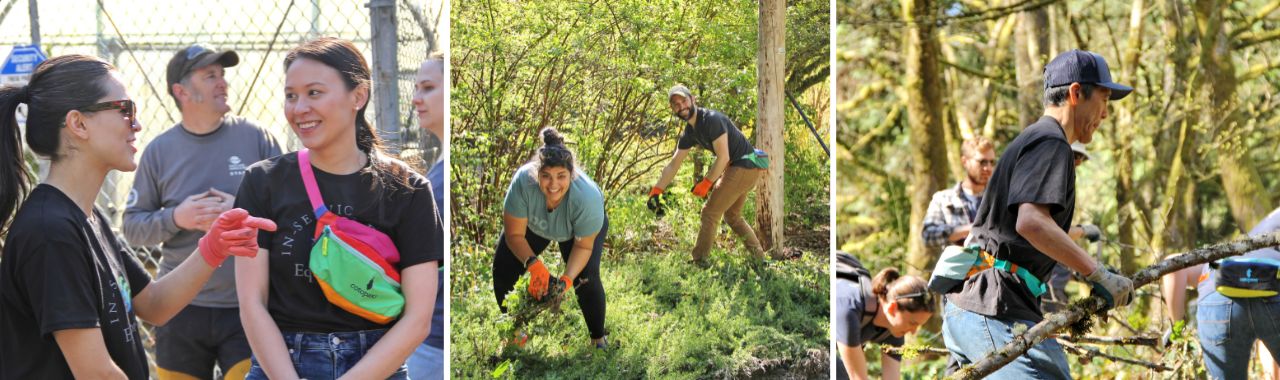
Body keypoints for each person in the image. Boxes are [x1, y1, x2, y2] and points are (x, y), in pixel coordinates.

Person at [0, 55, 273, 379]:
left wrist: (213, 247)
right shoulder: (50, 233)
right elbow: (96, 373)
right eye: (124, 109)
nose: (137, 124)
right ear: (78, 124)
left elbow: (154, 304)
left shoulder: (88, 216)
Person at [234, 37, 442, 379]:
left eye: (314, 93)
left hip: (377, 366)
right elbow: (252, 303)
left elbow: (418, 319)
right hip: (280, 365)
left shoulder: (408, 190)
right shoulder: (262, 182)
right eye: (291, 95)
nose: (299, 108)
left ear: (358, 96)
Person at [940, 49, 1135, 379]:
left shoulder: (1035, 139)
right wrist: (1097, 274)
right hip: (994, 307)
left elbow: (1016, 235)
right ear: (1076, 93)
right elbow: (1031, 223)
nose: (1105, 114)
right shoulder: (1051, 142)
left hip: (973, 305)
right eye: (1103, 99)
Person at [123, 43, 283, 380]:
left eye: (222, 74)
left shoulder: (257, 139)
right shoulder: (159, 151)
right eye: (210, 76)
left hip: (247, 305)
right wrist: (176, 218)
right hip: (180, 308)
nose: (222, 82)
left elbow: (289, 216)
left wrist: (240, 210)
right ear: (180, 91)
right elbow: (132, 228)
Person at [493, 127, 609, 348]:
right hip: (536, 225)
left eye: (561, 176)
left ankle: (598, 340)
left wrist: (566, 279)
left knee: (586, 279)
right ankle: (516, 336)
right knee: (504, 267)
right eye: (546, 176)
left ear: (571, 174)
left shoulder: (587, 198)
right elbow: (514, 234)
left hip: (576, 231)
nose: (553, 185)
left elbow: (584, 247)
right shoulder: (523, 183)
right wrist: (533, 265)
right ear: (537, 173)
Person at [647, 85, 770, 266]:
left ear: (693, 99)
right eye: (676, 104)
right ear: (672, 109)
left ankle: (700, 262)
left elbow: (724, 157)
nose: (681, 107)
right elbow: (674, 164)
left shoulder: (712, 120)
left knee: (710, 213)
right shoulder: (690, 132)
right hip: (744, 167)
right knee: (732, 216)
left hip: (744, 166)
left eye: (684, 101)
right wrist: (657, 191)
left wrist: (707, 183)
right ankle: (761, 260)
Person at [406, 53, 446, 379]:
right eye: (416, 88)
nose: (416, 98)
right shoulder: (438, 169)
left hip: (435, 343)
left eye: (429, 88)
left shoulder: (444, 177)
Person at [834, 252, 935, 380]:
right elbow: (857, 377)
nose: (913, 332)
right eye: (912, 323)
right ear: (893, 308)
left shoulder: (893, 332)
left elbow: (892, 377)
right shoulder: (851, 308)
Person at [922, 136, 996, 249]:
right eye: (982, 162)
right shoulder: (943, 199)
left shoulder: (999, 200)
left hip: (994, 265)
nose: (988, 168)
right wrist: (971, 229)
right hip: (959, 265)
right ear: (965, 161)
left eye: (991, 162)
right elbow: (928, 235)